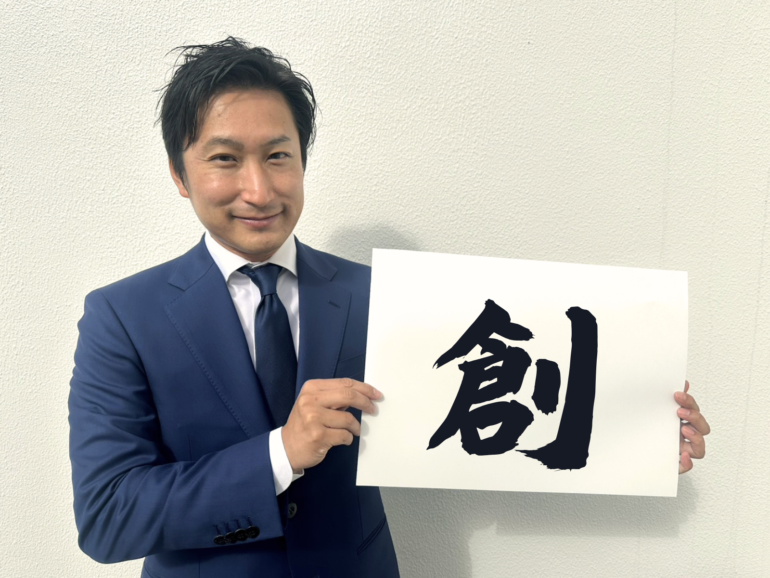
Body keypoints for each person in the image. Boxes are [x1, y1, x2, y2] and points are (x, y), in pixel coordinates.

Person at [68, 37, 709, 578]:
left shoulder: (381, 295)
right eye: (225, 159)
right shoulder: (122, 317)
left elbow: (502, 388)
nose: (258, 189)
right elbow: (106, 518)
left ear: (302, 161)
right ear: (180, 175)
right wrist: (279, 453)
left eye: (278, 156)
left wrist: (637, 427)